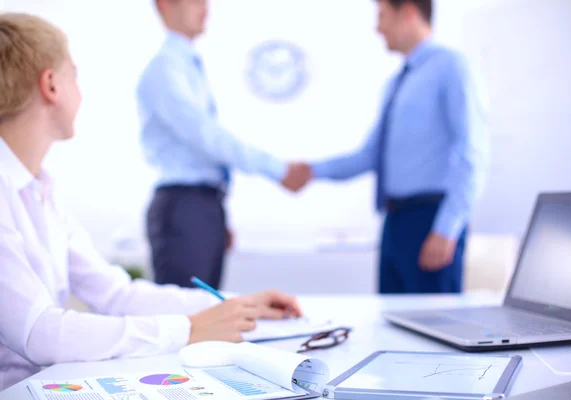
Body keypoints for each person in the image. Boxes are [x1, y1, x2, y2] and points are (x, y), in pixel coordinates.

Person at [0, 12, 302, 391]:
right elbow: (40, 333)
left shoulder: (43, 188)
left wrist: (239, 304)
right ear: (51, 85)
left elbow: (116, 294)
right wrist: (189, 329)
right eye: (74, 75)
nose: (81, 89)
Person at [298, 0, 489, 294]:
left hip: (431, 220)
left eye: (382, 16)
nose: (378, 28)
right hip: (394, 222)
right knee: (391, 322)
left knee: (432, 327)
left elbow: (471, 152)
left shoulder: (451, 67)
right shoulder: (396, 83)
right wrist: (310, 171)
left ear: (409, 12)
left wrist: (446, 229)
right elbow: (370, 156)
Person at [137, 0, 306, 290]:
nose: (205, 6)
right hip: (184, 209)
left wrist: (214, 216)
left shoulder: (186, 65)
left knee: (207, 315)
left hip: (201, 206)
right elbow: (207, 136)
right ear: (165, 4)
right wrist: (277, 169)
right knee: (189, 317)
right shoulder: (165, 70)